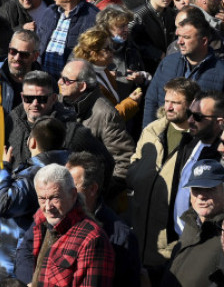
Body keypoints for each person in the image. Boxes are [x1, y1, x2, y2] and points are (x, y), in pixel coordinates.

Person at [128, 77, 200, 275]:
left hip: (171, 242)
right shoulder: (152, 129)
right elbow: (135, 160)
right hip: (140, 231)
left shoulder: (199, 141)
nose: (168, 107)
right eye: (167, 101)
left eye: (176, 103)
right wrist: (135, 175)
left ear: (192, 104)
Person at [0, 116, 70, 283]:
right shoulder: (66, 169)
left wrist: (1, 168)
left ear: (32, 142)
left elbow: (3, 204)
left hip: (12, 266)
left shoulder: (35, 175)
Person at [27, 164, 115, 287]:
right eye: (42, 198)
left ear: (73, 194)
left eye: (55, 198)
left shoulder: (92, 239)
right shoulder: (41, 220)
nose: (47, 207)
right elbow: (24, 253)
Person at [66, 152, 142, 287]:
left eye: (72, 187)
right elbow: (27, 251)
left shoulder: (121, 237)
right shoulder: (55, 217)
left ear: (92, 189)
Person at [57, 59, 135, 189]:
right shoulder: (59, 102)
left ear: (82, 86)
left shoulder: (105, 114)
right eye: (61, 77)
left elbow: (125, 160)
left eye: (66, 80)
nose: (60, 82)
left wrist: (99, 193)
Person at [144, 7, 224, 125]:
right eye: (179, 36)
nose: (179, 42)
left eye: (186, 37)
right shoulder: (168, 63)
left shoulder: (220, 71)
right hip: (165, 136)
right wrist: (149, 137)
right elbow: (151, 101)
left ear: (204, 41)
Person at [162, 159, 224, 287]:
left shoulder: (221, 232)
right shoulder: (192, 222)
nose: (201, 196)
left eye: (209, 188)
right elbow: (180, 266)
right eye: (196, 189)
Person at [35, 0, 98, 80]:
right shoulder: (49, 12)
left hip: (71, 84)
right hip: (44, 81)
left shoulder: (93, 18)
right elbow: (38, 42)